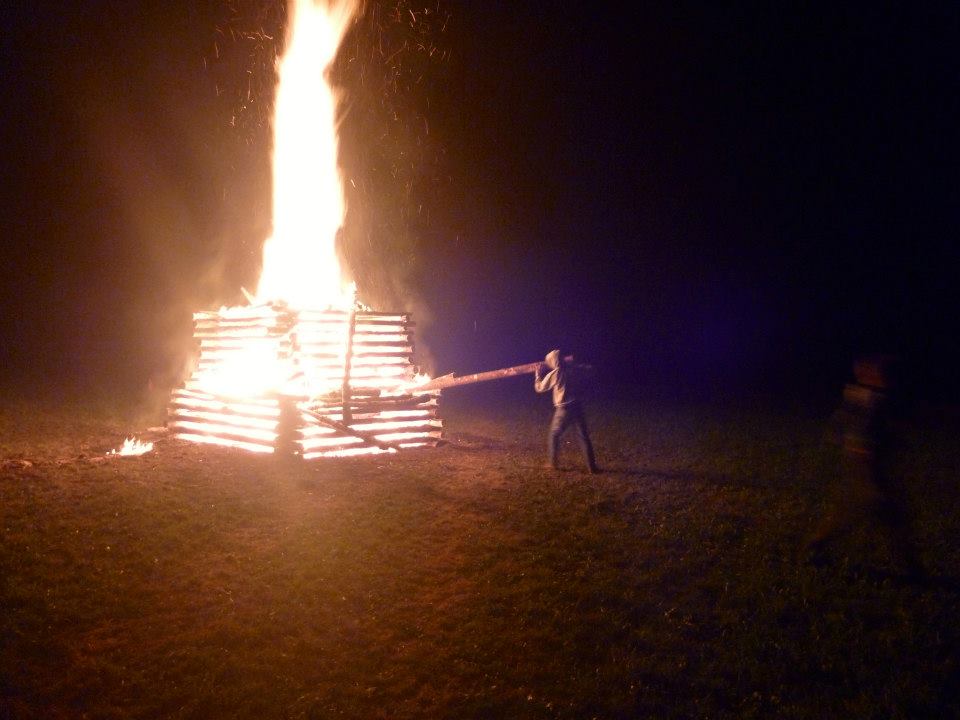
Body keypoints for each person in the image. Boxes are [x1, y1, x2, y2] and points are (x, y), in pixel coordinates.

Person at [804, 355, 924, 579]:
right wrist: (863, 458)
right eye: (879, 371)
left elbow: (842, 426)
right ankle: (816, 544)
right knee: (867, 510)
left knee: (883, 513)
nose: (886, 377)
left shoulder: (867, 397)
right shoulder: (867, 399)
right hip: (864, 466)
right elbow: (858, 430)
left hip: (869, 464)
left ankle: (911, 565)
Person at [534, 349, 599, 473]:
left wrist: (538, 374)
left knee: (554, 435)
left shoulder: (555, 374)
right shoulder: (572, 369)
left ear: (553, 361)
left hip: (564, 409)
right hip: (577, 406)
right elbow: (587, 370)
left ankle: (553, 464)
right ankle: (592, 468)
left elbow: (540, 388)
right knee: (583, 437)